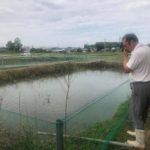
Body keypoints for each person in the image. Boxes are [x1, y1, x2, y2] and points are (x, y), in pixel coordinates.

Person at [122, 33, 150, 149]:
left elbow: (126, 69)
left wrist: (125, 56)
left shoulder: (137, 53)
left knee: (137, 113)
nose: (125, 48)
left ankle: (140, 142)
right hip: (148, 83)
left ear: (132, 42)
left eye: (126, 45)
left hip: (141, 85)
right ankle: (140, 132)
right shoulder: (147, 48)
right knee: (143, 110)